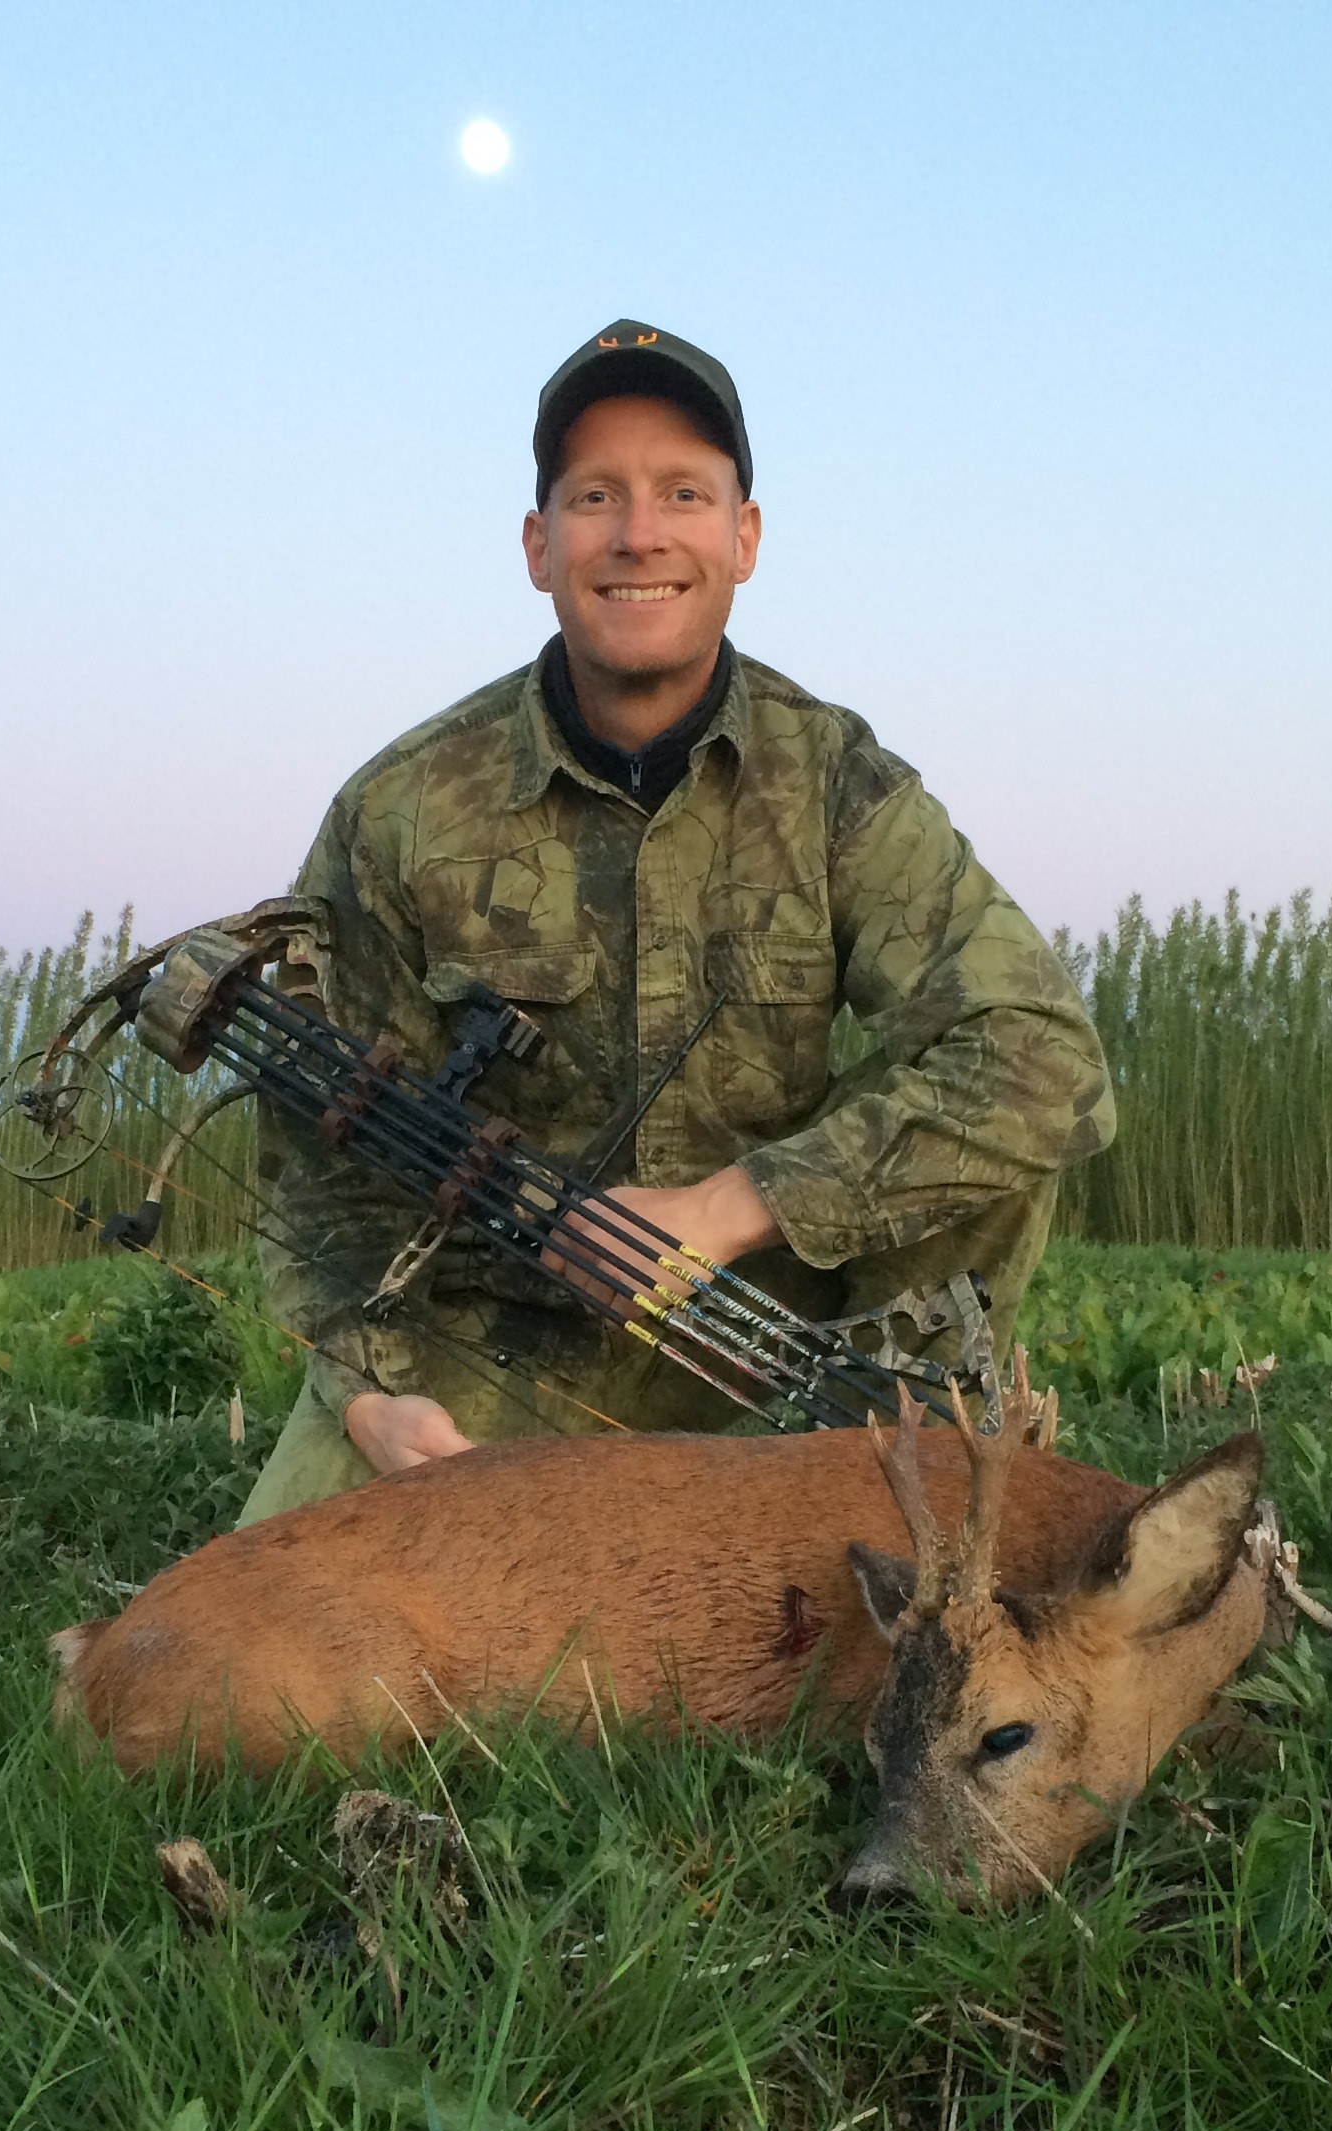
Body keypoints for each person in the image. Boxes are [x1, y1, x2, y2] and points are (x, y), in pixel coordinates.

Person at [238, 319, 1113, 1524]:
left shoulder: (837, 782)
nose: (638, 534)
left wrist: (723, 1213)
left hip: (785, 1343)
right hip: (496, 1350)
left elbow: (1045, 1058)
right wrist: (367, 1395)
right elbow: (313, 1146)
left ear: (743, 538)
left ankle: (906, 1452)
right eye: (596, 496)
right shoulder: (400, 808)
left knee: (988, 1121)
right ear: (540, 545)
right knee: (258, 1682)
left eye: (683, 493)